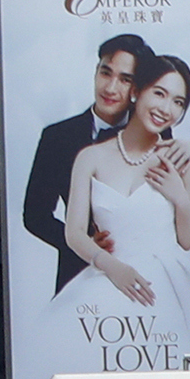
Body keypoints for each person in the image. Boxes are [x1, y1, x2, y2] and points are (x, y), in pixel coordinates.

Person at [53, 52, 190, 371]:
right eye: (160, 93)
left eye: (178, 102)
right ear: (137, 91)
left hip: (165, 286)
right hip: (105, 280)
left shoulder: (180, 159)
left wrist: (180, 198)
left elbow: (189, 239)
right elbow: (74, 233)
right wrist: (111, 266)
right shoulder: (90, 157)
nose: (166, 109)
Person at [24, 34, 167, 294]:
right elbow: (35, 215)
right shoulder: (57, 137)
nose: (111, 88)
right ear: (95, 73)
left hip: (147, 272)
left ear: (139, 89)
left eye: (125, 80)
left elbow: (188, 202)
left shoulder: (155, 131)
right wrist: (84, 245)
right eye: (105, 73)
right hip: (78, 275)